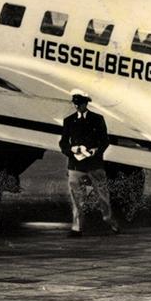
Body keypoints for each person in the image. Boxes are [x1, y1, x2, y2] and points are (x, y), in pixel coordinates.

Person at [58, 90, 119, 237]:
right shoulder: (68, 120)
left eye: (80, 104)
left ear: (86, 103)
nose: (77, 107)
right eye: (76, 104)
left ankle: (109, 220)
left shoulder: (98, 119)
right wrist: (72, 150)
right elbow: (63, 143)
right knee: (77, 198)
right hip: (75, 165)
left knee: (103, 196)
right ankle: (77, 227)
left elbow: (105, 141)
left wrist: (94, 152)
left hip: (94, 164)